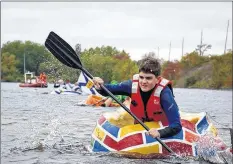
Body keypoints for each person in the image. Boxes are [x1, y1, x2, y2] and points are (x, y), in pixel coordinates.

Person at [93, 56, 182, 139]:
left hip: (161, 128)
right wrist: (99, 86)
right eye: (141, 77)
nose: (143, 81)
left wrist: (160, 133)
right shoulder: (131, 85)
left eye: (148, 78)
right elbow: (108, 90)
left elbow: (176, 125)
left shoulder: (165, 94)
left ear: (157, 80)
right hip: (139, 128)